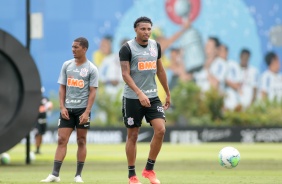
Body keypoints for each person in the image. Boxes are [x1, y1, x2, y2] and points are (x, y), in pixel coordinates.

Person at [119, 16, 170, 184]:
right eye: (143, 29)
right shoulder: (127, 48)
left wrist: (168, 93)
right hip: (132, 98)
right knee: (133, 135)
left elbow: (160, 71)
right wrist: (139, 93)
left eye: (149, 29)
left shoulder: (156, 46)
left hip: (152, 96)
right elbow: (125, 74)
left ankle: (149, 170)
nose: (146, 32)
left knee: (161, 129)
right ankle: (132, 176)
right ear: (136, 30)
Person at [41, 37, 99, 183]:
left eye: (76, 47)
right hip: (67, 109)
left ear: (85, 49)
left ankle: (78, 175)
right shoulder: (66, 65)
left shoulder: (91, 69)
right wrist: (62, 106)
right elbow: (62, 87)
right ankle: (55, 174)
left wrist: (86, 112)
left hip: (82, 110)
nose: (73, 49)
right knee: (61, 140)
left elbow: (93, 92)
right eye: (72, 47)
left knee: (81, 141)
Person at [34, 87, 53, 154]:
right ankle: (37, 148)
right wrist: (44, 108)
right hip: (37, 120)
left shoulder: (45, 99)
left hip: (44, 120)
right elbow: (39, 109)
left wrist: (46, 107)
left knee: (41, 134)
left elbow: (50, 106)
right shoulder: (35, 100)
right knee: (37, 134)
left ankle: (38, 149)